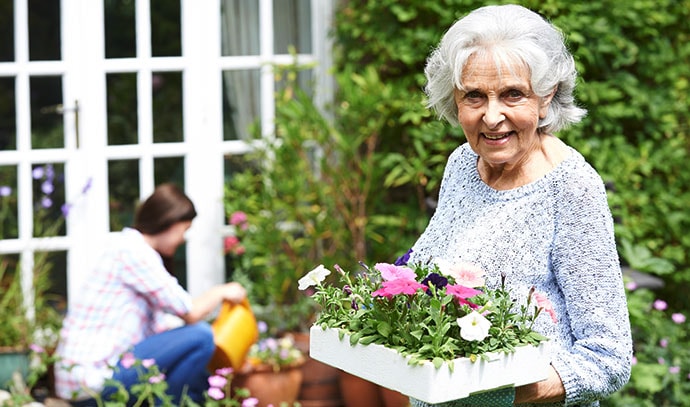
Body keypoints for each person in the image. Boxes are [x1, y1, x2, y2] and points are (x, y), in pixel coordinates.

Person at [407, 5, 632, 407]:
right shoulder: (462, 164)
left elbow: (608, 358)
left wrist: (500, 389)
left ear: (545, 99)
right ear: (453, 100)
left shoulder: (572, 189)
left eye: (513, 94)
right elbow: (433, 273)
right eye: (474, 96)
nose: (492, 117)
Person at [54, 183, 247, 405]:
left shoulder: (130, 250)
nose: (183, 239)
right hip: (92, 383)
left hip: (96, 378)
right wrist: (222, 291)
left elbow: (164, 326)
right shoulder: (133, 251)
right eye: (184, 230)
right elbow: (190, 312)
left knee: (199, 375)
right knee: (201, 337)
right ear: (170, 222)